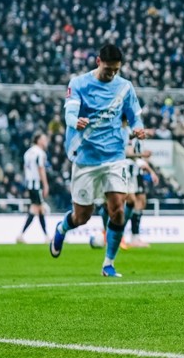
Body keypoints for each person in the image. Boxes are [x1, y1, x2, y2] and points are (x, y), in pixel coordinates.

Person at [49, 44, 146, 278]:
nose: (112, 74)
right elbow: (69, 112)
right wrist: (75, 121)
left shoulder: (125, 87)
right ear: (98, 61)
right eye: (108, 69)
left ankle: (108, 264)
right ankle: (62, 227)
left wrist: (138, 129)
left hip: (114, 157)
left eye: (116, 70)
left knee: (118, 210)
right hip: (86, 158)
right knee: (81, 217)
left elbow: (135, 117)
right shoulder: (79, 84)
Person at [125, 138, 159, 248]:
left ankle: (135, 237)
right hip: (128, 172)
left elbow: (138, 158)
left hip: (137, 172)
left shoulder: (139, 138)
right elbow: (128, 153)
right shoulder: (127, 134)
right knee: (131, 203)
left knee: (141, 203)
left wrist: (151, 171)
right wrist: (142, 154)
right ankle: (117, 234)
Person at [17, 132, 50, 243]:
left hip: (29, 184)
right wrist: (45, 184)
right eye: (44, 139)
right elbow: (41, 169)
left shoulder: (27, 153)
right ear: (39, 141)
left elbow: (25, 168)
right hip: (36, 184)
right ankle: (21, 235)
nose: (46, 142)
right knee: (37, 209)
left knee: (39, 210)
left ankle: (45, 236)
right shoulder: (40, 153)